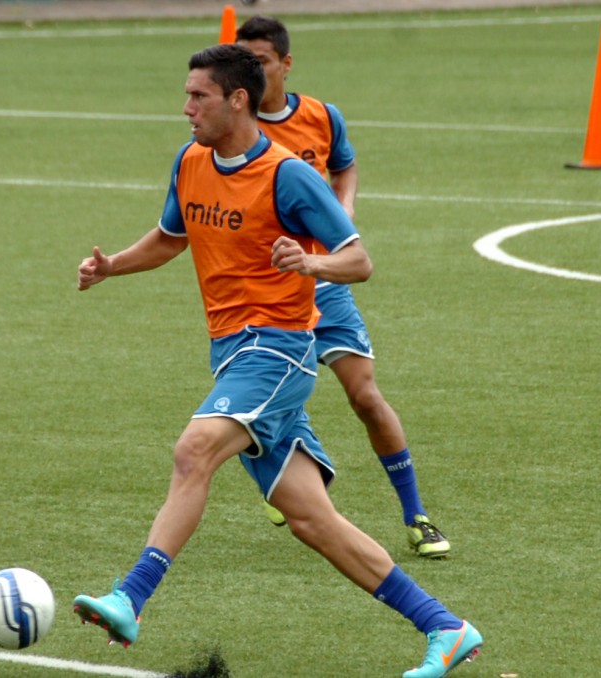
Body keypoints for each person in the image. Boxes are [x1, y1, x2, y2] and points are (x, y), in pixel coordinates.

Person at [72, 43, 482, 678]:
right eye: (186, 95)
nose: (186, 108)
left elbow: (359, 260)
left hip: (278, 351)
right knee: (312, 521)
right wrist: (112, 267)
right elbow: (172, 238)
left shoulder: (288, 175)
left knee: (194, 450)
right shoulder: (190, 160)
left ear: (237, 99)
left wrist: (310, 261)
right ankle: (446, 627)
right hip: (232, 354)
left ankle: (131, 597)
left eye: (199, 96)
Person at [236, 15, 450, 558]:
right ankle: (289, 477)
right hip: (263, 295)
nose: (251, 72)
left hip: (323, 281)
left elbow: (345, 167)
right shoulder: (234, 128)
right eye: (242, 62)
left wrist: (343, 209)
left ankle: (417, 515)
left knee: (365, 396)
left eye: (260, 61)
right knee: (265, 402)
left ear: (286, 63)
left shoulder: (321, 117)